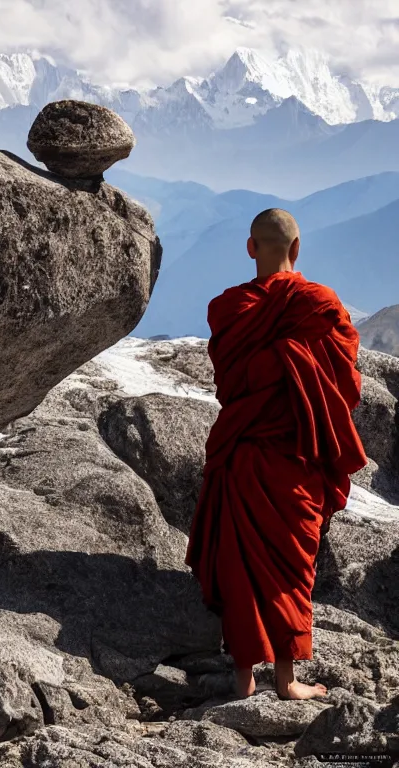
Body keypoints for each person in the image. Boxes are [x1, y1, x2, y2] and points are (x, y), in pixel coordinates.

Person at [186, 208, 367, 701]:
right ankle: (287, 682)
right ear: (297, 248)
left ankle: (243, 678)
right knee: (290, 565)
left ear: (251, 249)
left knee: (240, 562)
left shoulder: (229, 308)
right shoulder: (320, 305)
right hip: (294, 463)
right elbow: (344, 384)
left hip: (242, 450)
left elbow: (230, 381)